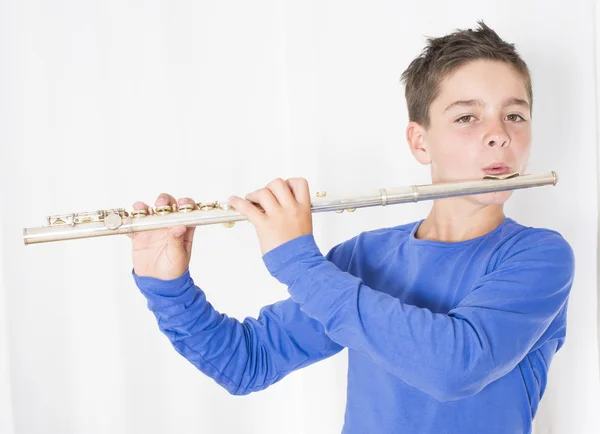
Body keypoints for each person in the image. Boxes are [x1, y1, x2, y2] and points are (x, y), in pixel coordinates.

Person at [130, 21, 575, 434]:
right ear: (420, 142)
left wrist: (297, 262)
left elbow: (455, 367)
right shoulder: (366, 257)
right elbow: (248, 362)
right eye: (467, 117)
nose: (498, 134)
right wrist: (165, 284)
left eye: (515, 115)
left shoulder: (540, 255)